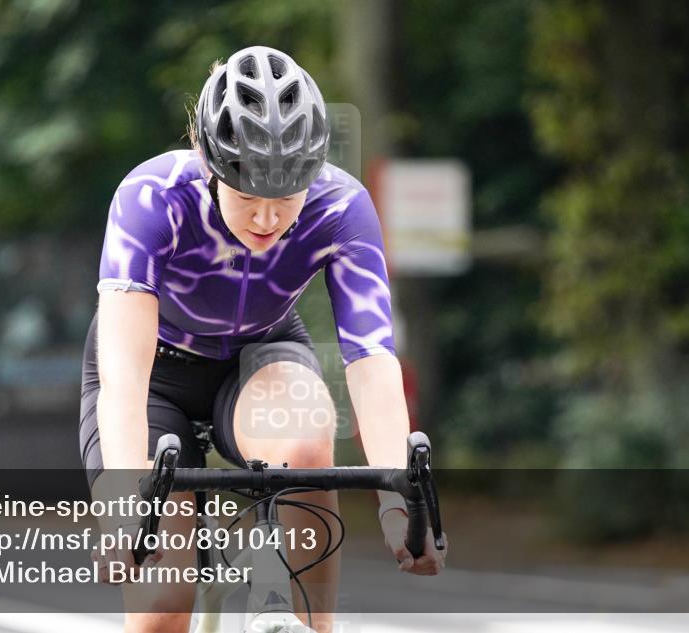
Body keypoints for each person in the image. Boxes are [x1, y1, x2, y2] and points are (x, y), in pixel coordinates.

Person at [81, 45, 447, 633]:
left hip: (260, 356)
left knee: (303, 447)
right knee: (161, 605)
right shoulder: (151, 197)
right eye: (247, 196)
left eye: (286, 199)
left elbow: (371, 357)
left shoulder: (341, 206)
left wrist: (398, 501)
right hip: (155, 374)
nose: (267, 219)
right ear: (208, 163)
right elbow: (125, 379)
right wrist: (129, 513)